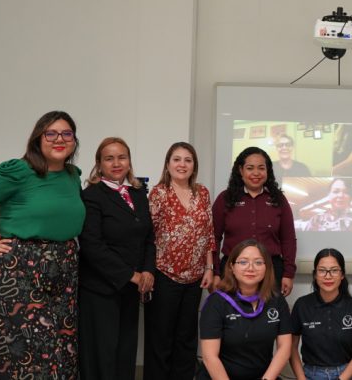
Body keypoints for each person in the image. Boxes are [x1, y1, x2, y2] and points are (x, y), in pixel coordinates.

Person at [0, 110, 83, 379]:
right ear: (38, 138)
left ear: (74, 141)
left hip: (64, 273)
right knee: (21, 353)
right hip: (20, 274)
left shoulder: (71, 175)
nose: (60, 139)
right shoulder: (18, 171)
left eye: (67, 133)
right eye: (51, 133)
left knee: (59, 349)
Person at [78, 137, 155, 379]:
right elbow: (92, 246)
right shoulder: (91, 195)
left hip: (131, 290)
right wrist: (131, 275)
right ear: (99, 164)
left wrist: (148, 271)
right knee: (103, 355)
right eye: (109, 158)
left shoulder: (138, 193)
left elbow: (149, 238)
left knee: (125, 352)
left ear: (129, 161)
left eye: (122, 157)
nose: (116, 163)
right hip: (100, 290)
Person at [145, 142, 216, 380]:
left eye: (188, 160)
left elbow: (208, 233)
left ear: (194, 165)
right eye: (177, 159)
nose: (182, 164)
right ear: (168, 164)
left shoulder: (202, 193)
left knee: (186, 339)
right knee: (161, 338)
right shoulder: (159, 193)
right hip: (165, 275)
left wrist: (209, 267)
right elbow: (148, 236)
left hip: (195, 277)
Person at [199, 239, 292, 380]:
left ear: (267, 267)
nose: (251, 268)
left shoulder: (277, 300)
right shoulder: (216, 302)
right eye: (243, 262)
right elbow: (209, 357)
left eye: (258, 262)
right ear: (231, 267)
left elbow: (284, 348)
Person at [212, 147, 297, 296]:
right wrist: (216, 272)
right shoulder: (225, 199)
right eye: (250, 168)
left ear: (268, 171)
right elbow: (214, 238)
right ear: (240, 170)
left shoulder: (278, 199)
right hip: (233, 272)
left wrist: (288, 274)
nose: (256, 173)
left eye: (261, 168)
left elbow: (288, 239)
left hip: (271, 271)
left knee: (270, 316)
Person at [290, 248, 352, 380]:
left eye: (334, 270)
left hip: (346, 374)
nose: (328, 276)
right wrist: (301, 378)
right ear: (315, 274)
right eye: (322, 270)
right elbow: (291, 349)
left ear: (342, 274)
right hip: (311, 374)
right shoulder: (302, 305)